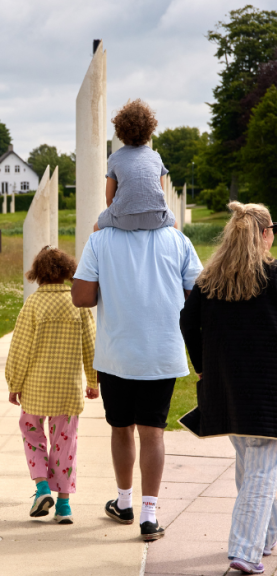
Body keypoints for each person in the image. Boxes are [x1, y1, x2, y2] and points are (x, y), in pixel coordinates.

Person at [72, 218, 203, 541]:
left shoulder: (101, 240)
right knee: (153, 432)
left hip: (117, 352)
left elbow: (82, 297)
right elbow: (197, 295)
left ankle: (124, 501)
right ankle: (149, 515)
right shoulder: (177, 239)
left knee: (121, 428)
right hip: (161, 353)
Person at [180, 202, 277, 575]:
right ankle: (245, 550)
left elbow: (187, 323)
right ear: (265, 234)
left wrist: (203, 368)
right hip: (266, 391)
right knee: (261, 470)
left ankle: (265, 537)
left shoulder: (210, 280)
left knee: (251, 463)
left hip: (223, 388)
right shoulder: (272, 276)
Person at [5, 246, 97, 524]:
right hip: (67, 391)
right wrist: (93, 381)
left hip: (35, 389)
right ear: (68, 271)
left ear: (38, 274)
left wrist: (14, 382)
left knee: (31, 432)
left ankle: (42, 487)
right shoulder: (76, 304)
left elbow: (20, 348)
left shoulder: (32, 305)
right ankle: (64, 506)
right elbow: (91, 345)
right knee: (65, 445)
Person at [95, 99, 176, 232]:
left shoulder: (114, 158)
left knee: (96, 227)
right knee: (175, 226)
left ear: (120, 130)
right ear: (150, 129)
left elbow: (109, 197)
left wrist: (117, 216)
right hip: (155, 218)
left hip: (124, 219)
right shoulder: (156, 157)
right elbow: (160, 192)